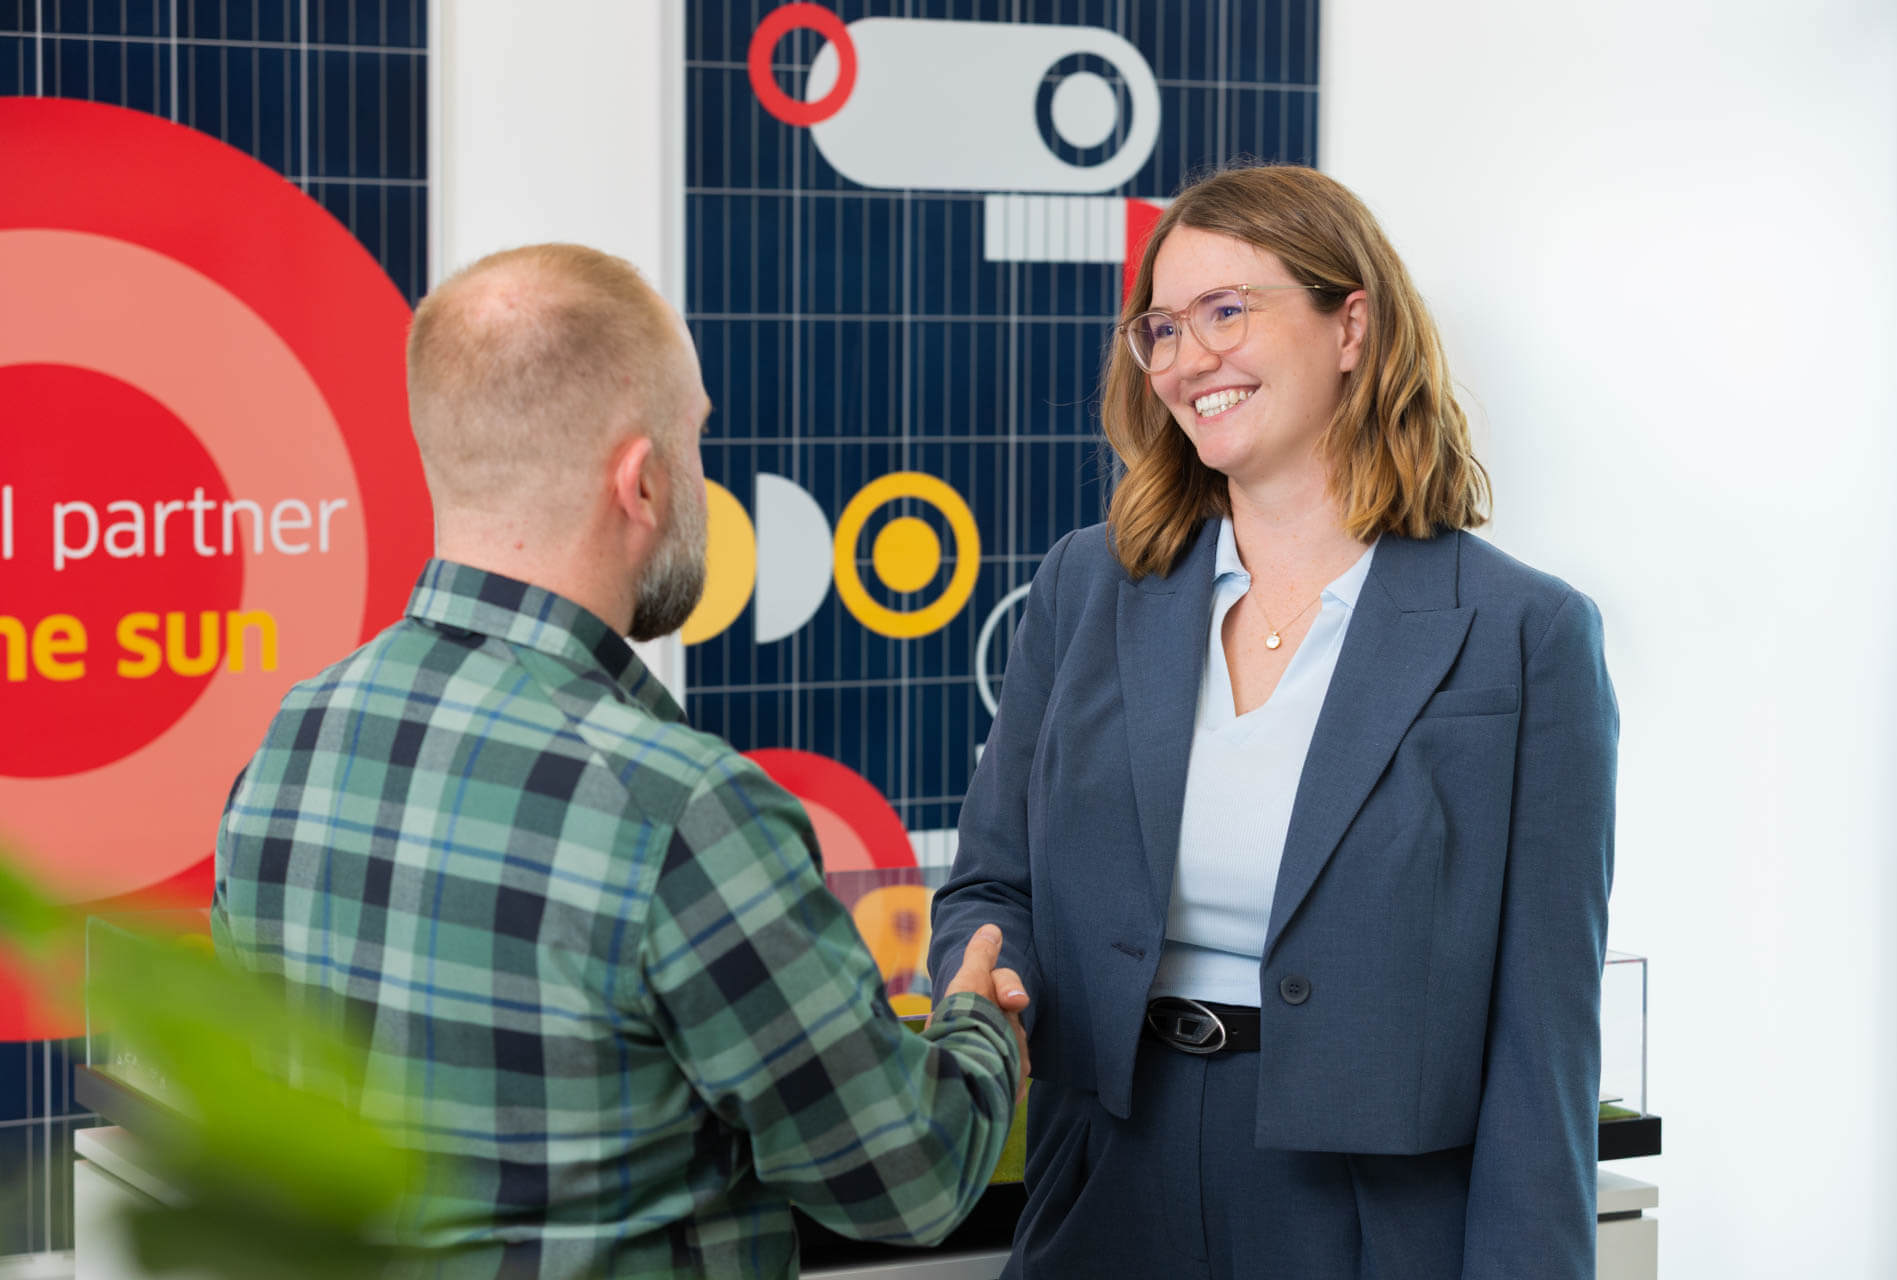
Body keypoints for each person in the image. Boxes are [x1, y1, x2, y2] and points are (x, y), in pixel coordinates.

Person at [212, 243, 1030, 1278]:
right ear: (641, 481)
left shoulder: (294, 740)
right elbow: (905, 1178)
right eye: (695, 442)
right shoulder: (681, 811)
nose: (702, 475)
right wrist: (976, 1020)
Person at [929, 165, 1618, 1279]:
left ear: (1353, 324)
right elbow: (988, 889)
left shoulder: (1524, 634)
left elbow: (1543, 1035)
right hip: (1107, 1177)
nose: (1186, 356)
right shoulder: (1083, 588)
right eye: (1161, 325)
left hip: (1370, 1213)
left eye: (1226, 310)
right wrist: (984, 974)